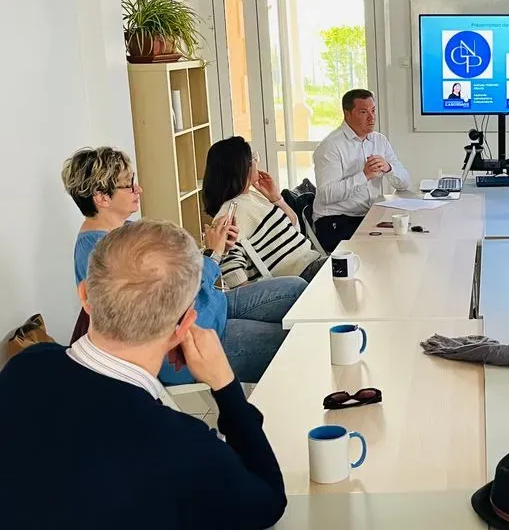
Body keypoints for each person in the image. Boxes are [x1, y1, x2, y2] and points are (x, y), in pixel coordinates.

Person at [0, 220, 287, 529]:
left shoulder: (23, 365)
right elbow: (268, 501)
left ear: (85, 295)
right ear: (185, 324)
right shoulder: (180, 445)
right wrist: (226, 386)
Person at [62, 147, 306, 383]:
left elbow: (178, 274)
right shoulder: (98, 252)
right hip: (185, 343)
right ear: (102, 197)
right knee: (295, 344)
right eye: (129, 184)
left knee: (296, 290)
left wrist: (218, 248)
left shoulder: (126, 230)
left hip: (206, 310)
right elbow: (166, 303)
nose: (139, 189)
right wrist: (212, 256)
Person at [202, 136, 326, 286]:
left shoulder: (251, 196)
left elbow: (294, 229)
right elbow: (229, 265)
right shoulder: (231, 211)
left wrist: (277, 199)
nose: (257, 161)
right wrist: (261, 295)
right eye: (253, 158)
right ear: (242, 167)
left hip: (310, 263)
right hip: (299, 276)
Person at [312, 89, 410, 251]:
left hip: (367, 214)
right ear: (347, 114)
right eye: (364, 112)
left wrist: (389, 167)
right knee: (388, 247)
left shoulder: (379, 140)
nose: (371, 117)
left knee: (407, 233)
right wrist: (364, 175)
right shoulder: (330, 146)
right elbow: (326, 195)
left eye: (373, 111)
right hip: (335, 220)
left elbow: (405, 183)